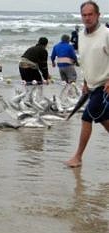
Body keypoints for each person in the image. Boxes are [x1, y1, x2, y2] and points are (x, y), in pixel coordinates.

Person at [66, 1, 109, 168]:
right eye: (84, 15)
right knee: (103, 118)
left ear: (98, 15)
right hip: (91, 85)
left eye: (91, 14)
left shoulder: (106, 34)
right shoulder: (82, 36)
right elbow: (84, 60)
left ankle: (77, 157)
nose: (87, 18)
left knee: (87, 117)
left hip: (104, 86)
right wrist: (85, 81)